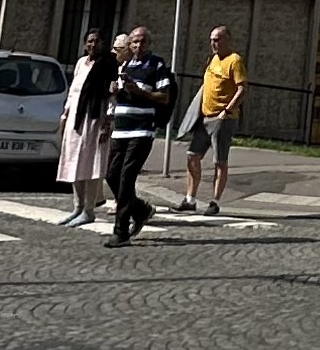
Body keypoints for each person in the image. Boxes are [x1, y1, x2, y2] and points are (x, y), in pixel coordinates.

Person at [105, 23, 172, 249]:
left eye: (142, 41)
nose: (138, 45)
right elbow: (123, 96)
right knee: (112, 175)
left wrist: (140, 91)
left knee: (126, 177)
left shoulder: (156, 64)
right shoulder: (125, 65)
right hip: (121, 128)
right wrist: (116, 91)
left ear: (149, 43)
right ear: (129, 45)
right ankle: (140, 209)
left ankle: (121, 231)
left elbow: (164, 96)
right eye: (134, 41)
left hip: (141, 129)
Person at [182, 27, 247, 214]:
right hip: (204, 117)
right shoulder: (212, 60)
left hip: (222, 119)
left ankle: (215, 201)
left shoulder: (234, 61)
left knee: (219, 161)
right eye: (211, 39)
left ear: (228, 40)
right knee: (192, 156)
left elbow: (242, 89)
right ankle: (190, 199)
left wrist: (227, 110)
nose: (213, 43)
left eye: (217, 39)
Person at [56, 29, 115, 226]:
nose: (93, 45)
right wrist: (65, 115)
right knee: (74, 161)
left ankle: (89, 209)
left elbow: (111, 95)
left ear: (103, 44)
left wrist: (107, 122)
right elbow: (73, 92)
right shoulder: (81, 63)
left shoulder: (108, 64)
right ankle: (78, 206)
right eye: (90, 41)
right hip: (77, 117)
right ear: (84, 44)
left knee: (90, 164)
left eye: (97, 41)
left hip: (95, 118)